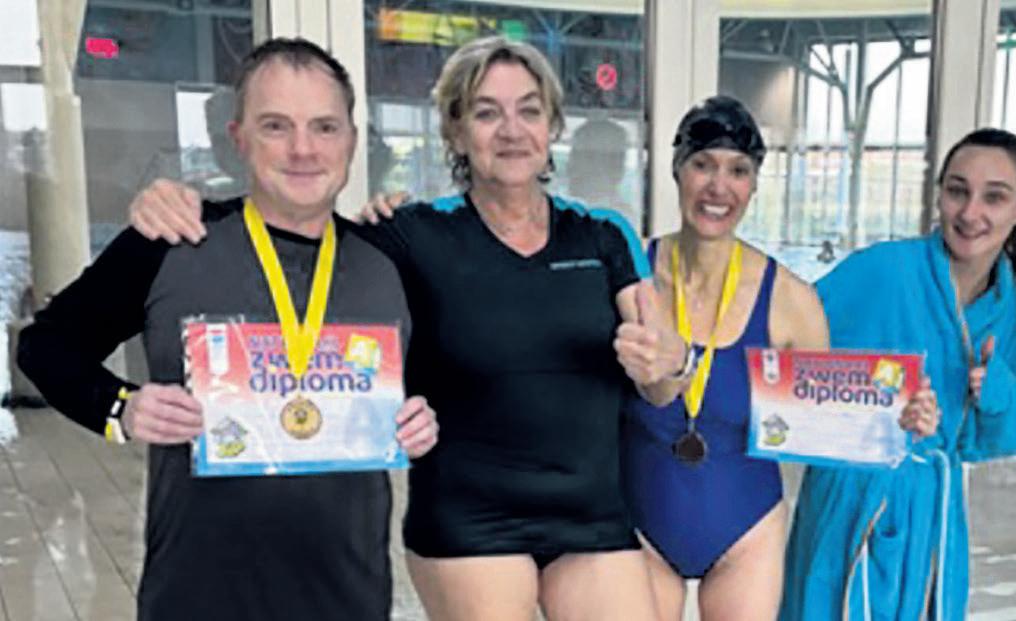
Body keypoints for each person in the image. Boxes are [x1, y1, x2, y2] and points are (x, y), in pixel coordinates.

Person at [126, 36, 680, 620]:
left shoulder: (604, 234)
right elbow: (291, 230)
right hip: (470, 520)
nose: (512, 131)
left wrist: (671, 363)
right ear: (455, 131)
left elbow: (660, 384)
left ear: (553, 126)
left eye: (529, 110)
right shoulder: (410, 234)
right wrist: (183, 205)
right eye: (486, 113)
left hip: (591, 518)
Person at [17, 38, 439, 621]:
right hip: (196, 597)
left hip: (348, 597)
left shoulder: (391, 260)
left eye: (324, 127)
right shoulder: (172, 241)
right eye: (275, 126)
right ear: (238, 138)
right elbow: (45, 346)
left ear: (351, 139)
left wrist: (425, 416)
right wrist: (121, 409)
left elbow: (436, 383)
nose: (302, 149)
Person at [781, 128, 1016, 621]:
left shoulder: (1011, 308)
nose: (970, 212)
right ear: (939, 194)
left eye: (994, 197)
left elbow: (1000, 442)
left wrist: (995, 394)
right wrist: (875, 412)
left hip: (932, 507)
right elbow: (784, 357)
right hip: (849, 495)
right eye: (958, 191)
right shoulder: (882, 270)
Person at [620, 96, 828, 619]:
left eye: (738, 170)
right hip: (638, 520)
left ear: (754, 184)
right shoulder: (628, 274)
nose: (719, 186)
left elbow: (831, 422)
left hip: (746, 528)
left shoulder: (790, 300)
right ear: (676, 170)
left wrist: (900, 417)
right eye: (702, 164)